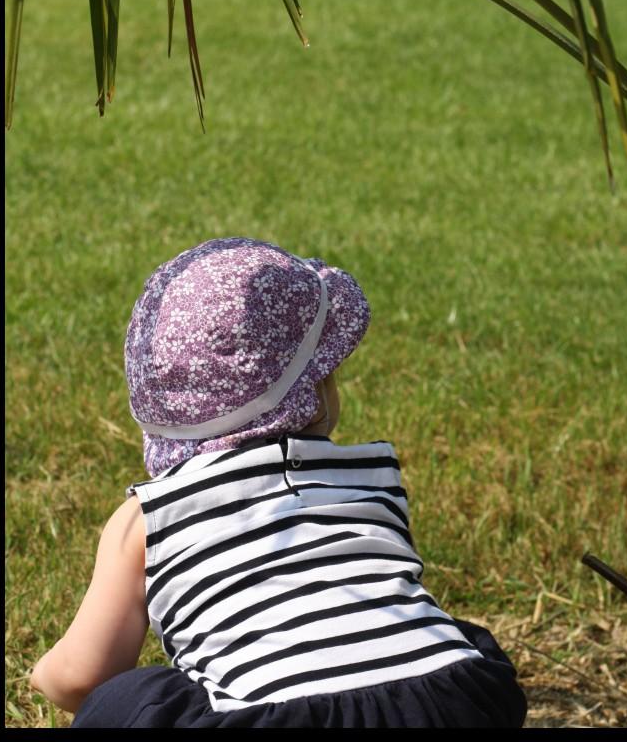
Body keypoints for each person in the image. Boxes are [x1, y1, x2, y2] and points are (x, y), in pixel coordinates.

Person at [30, 237, 527, 728]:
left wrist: (44, 673)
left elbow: (79, 677)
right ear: (311, 396)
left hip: (272, 717)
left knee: (131, 696)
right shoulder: (367, 481)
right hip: (452, 699)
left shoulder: (150, 516)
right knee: (457, 638)